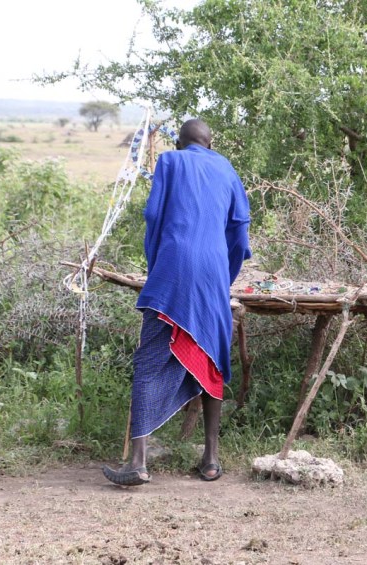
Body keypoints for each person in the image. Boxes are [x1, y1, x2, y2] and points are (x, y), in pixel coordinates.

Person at [103, 119, 251, 485]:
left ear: (182, 142)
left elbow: (154, 216)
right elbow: (240, 230)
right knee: (213, 358)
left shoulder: (169, 162)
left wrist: (158, 266)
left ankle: (138, 462)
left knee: (151, 360)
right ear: (210, 141)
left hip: (172, 267)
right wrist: (223, 277)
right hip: (213, 270)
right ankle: (211, 460)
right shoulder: (226, 167)